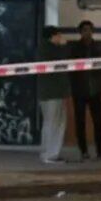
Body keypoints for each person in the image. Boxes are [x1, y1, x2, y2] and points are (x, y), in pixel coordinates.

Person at [70, 20, 101, 162]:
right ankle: (84, 151)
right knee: (80, 123)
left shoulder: (100, 48)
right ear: (80, 32)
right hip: (79, 91)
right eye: (84, 30)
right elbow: (69, 71)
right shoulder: (74, 49)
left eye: (89, 29)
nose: (87, 32)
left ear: (92, 31)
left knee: (98, 123)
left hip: (95, 90)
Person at [38, 27, 69, 164]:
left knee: (49, 123)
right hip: (54, 92)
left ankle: (46, 152)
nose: (61, 38)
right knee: (56, 123)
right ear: (53, 36)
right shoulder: (51, 49)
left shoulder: (42, 48)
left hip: (47, 92)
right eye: (59, 35)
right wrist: (64, 46)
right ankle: (52, 154)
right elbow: (62, 60)